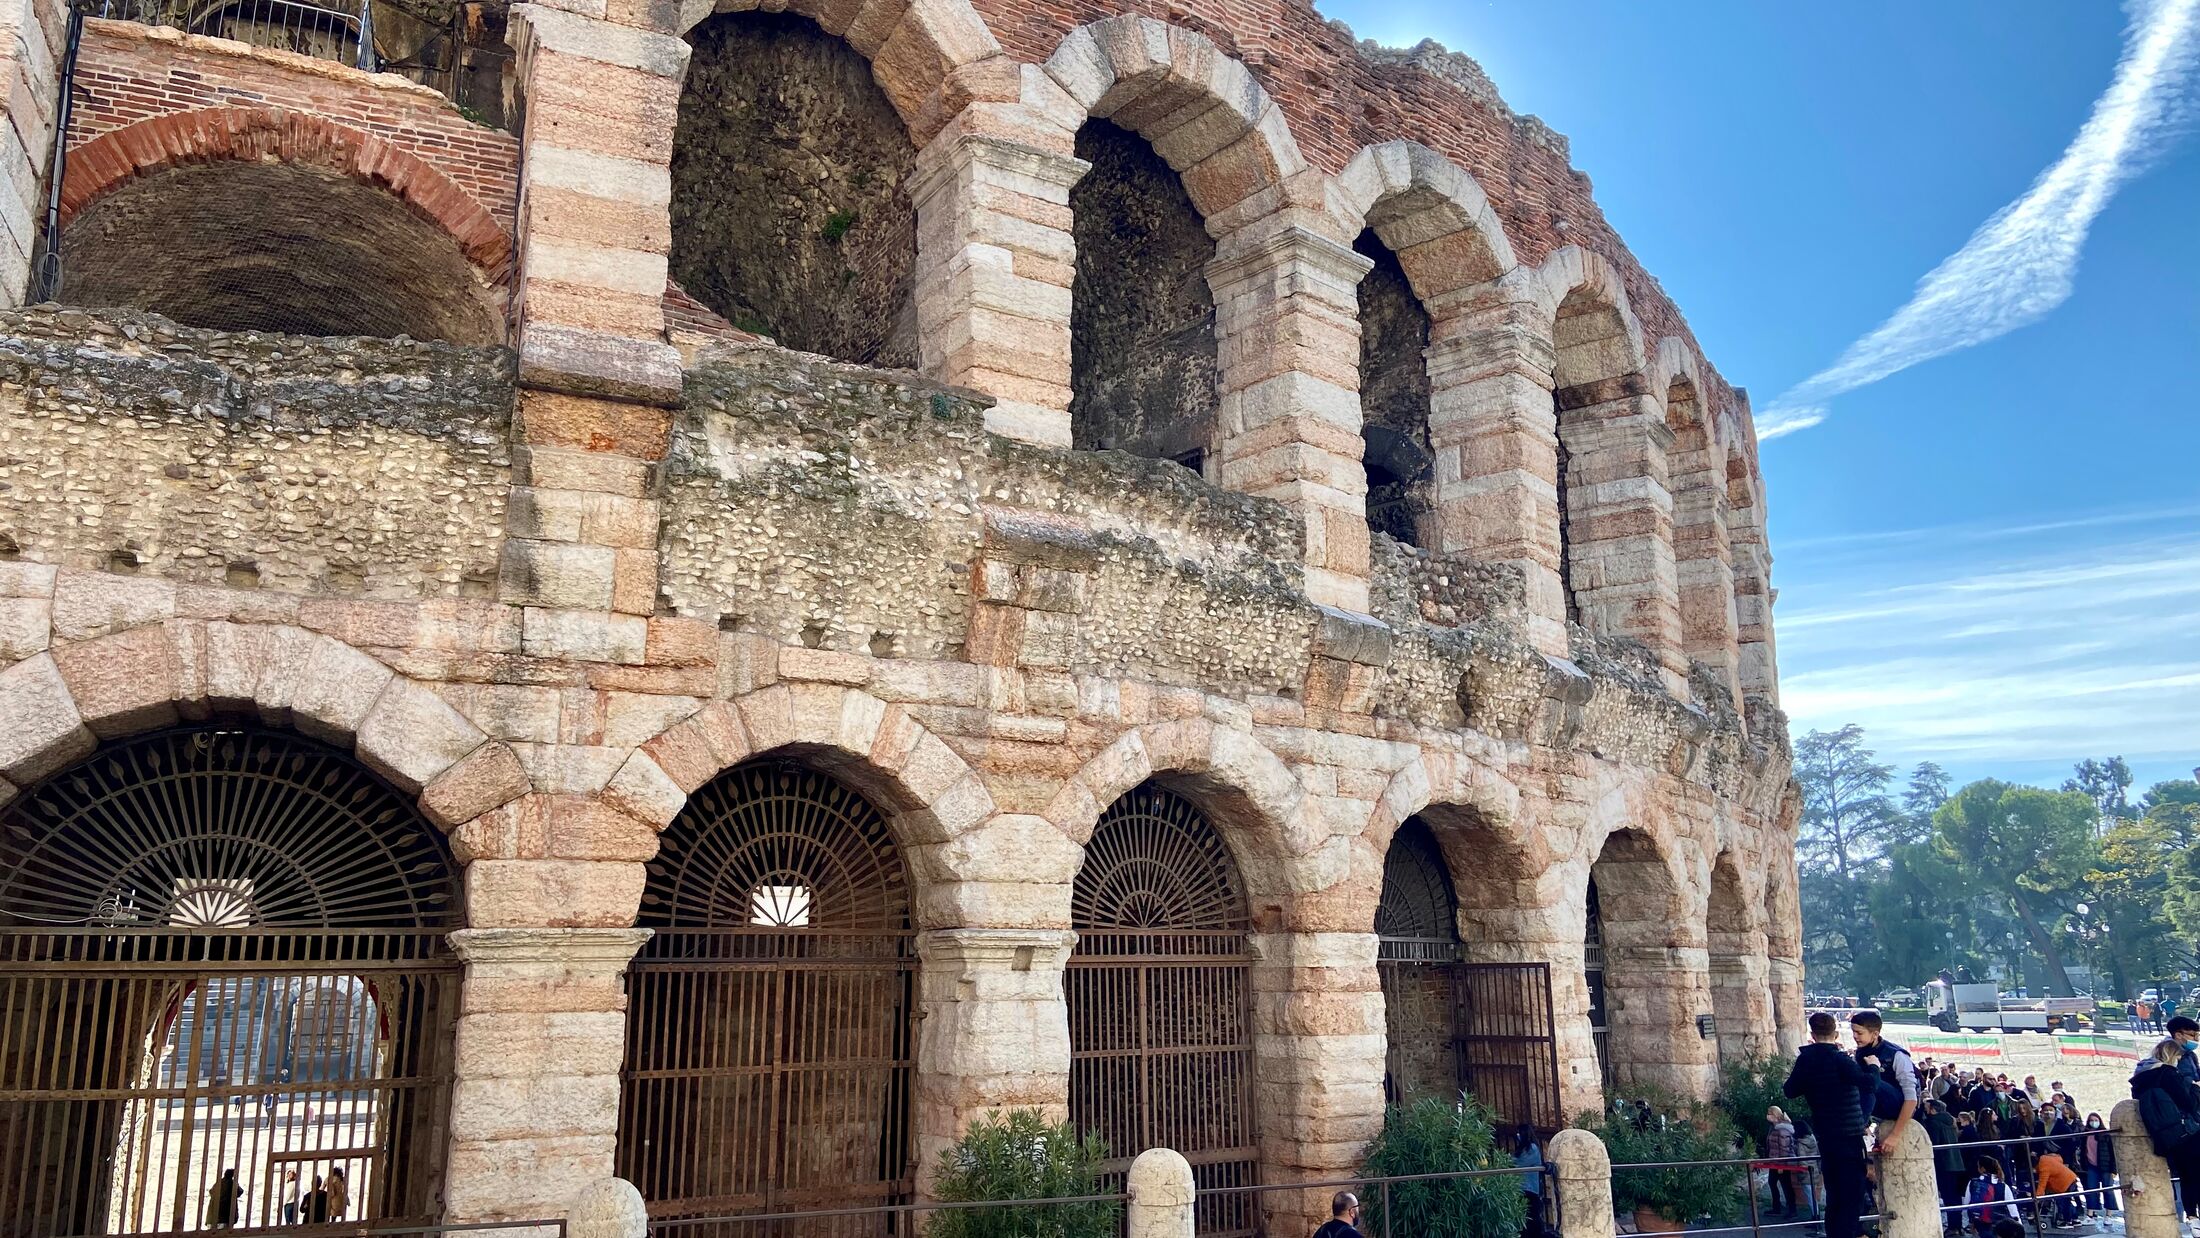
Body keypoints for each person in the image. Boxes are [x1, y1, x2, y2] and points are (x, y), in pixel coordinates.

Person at [1788, 1011, 1870, 1238]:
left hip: (1825, 1133)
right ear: (1835, 1033)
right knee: (1852, 1194)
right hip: (1848, 1133)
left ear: (1812, 1034)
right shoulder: (1840, 1059)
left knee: (1834, 1193)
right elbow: (1868, 1084)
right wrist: (1872, 1066)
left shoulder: (1805, 1059)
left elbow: (1790, 1090)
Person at [2135, 1037, 2200, 1229]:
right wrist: (2195, 1090)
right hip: (2187, 1131)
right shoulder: (2168, 1073)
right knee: (2195, 1175)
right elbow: (2187, 1102)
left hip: (2165, 1137)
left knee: (2186, 1176)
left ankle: (2192, 1218)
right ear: (2172, 1055)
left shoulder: (2141, 1077)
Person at [1852, 1010, 1920, 1153]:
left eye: (1859, 1033)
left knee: (1871, 1081)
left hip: (1898, 1104)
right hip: (1877, 1107)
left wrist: (1895, 1135)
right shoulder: (1859, 1053)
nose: (1854, 1037)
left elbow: (1911, 1099)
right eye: (1853, 1032)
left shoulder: (1897, 1055)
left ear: (1875, 1034)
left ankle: (1857, 1128)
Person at [1925, 1099, 1968, 1236]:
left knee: (1948, 1196)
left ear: (1932, 1109)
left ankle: (1952, 1226)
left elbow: (1934, 1144)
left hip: (1943, 1164)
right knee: (1954, 1197)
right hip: (1956, 1162)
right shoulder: (1951, 1122)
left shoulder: (1933, 1122)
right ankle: (1957, 1225)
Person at [1966, 1157, 2019, 1238]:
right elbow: (2013, 1210)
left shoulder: (1972, 1183)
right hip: (1999, 1227)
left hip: (1979, 1225)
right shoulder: (2003, 1186)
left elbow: (1966, 1204)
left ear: (1982, 1169)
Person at [1766, 1106, 1801, 1220]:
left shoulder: (1781, 1129)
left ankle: (1792, 1210)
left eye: (1769, 1113)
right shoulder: (1775, 1127)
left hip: (1781, 1163)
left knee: (1786, 1186)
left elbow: (1784, 1148)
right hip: (1775, 1162)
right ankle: (1777, 1207)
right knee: (1773, 1183)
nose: (1767, 1116)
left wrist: (1781, 1165)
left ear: (1775, 1115)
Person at [2079, 1111, 2117, 1216]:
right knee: (2091, 1189)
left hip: (2106, 1166)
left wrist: (2114, 1169)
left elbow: (2112, 1152)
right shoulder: (2085, 1135)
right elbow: (2083, 1151)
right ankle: (2090, 1213)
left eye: (2096, 1120)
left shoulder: (2105, 1135)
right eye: (2091, 1120)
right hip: (2091, 1166)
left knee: (2108, 1190)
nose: (2093, 1122)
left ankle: (2109, 1214)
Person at [2031, 1149, 2081, 1227]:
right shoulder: (2045, 1158)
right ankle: (2075, 1219)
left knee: (2063, 1203)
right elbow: (2059, 1158)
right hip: (2071, 1178)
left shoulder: (2043, 1168)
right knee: (2068, 1201)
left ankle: (2066, 1221)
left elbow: (2042, 1186)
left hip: (2063, 1184)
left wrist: (2037, 1199)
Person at [1512, 1125, 1547, 1234]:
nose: (1517, 1135)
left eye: (1519, 1133)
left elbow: (1518, 1163)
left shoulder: (1532, 1148)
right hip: (1521, 1189)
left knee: (1532, 1220)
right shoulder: (1523, 1149)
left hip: (1529, 1189)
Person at [2171, 1015, 2200, 1082]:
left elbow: (2195, 1074)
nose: (2197, 1040)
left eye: (2198, 1036)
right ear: (2178, 1035)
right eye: (2193, 1035)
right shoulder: (2168, 1055)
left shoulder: (2189, 1053)